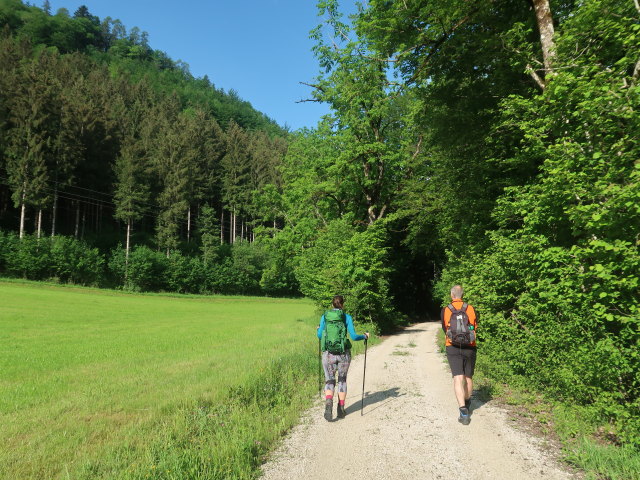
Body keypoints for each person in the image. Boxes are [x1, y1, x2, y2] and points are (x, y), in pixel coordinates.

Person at [317, 295, 369, 421]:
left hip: (328, 355)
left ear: (332, 305)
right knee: (342, 380)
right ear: (342, 304)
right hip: (343, 355)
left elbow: (319, 336)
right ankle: (341, 409)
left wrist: (318, 330)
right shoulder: (347, 317)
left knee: (329, 380)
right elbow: (354, 336)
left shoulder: (325, 316)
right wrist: (364, 336)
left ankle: (328, 405)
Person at [441, 284, 479, 425]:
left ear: (452, 295)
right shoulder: (470, 308)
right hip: (470, 346)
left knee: (458, 377)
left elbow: (445, 328)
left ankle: (463, 413)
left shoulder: (446, 309)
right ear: (462, 295)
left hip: (452, 346)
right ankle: (468, 402)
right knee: (468, 377)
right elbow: (474, 326)